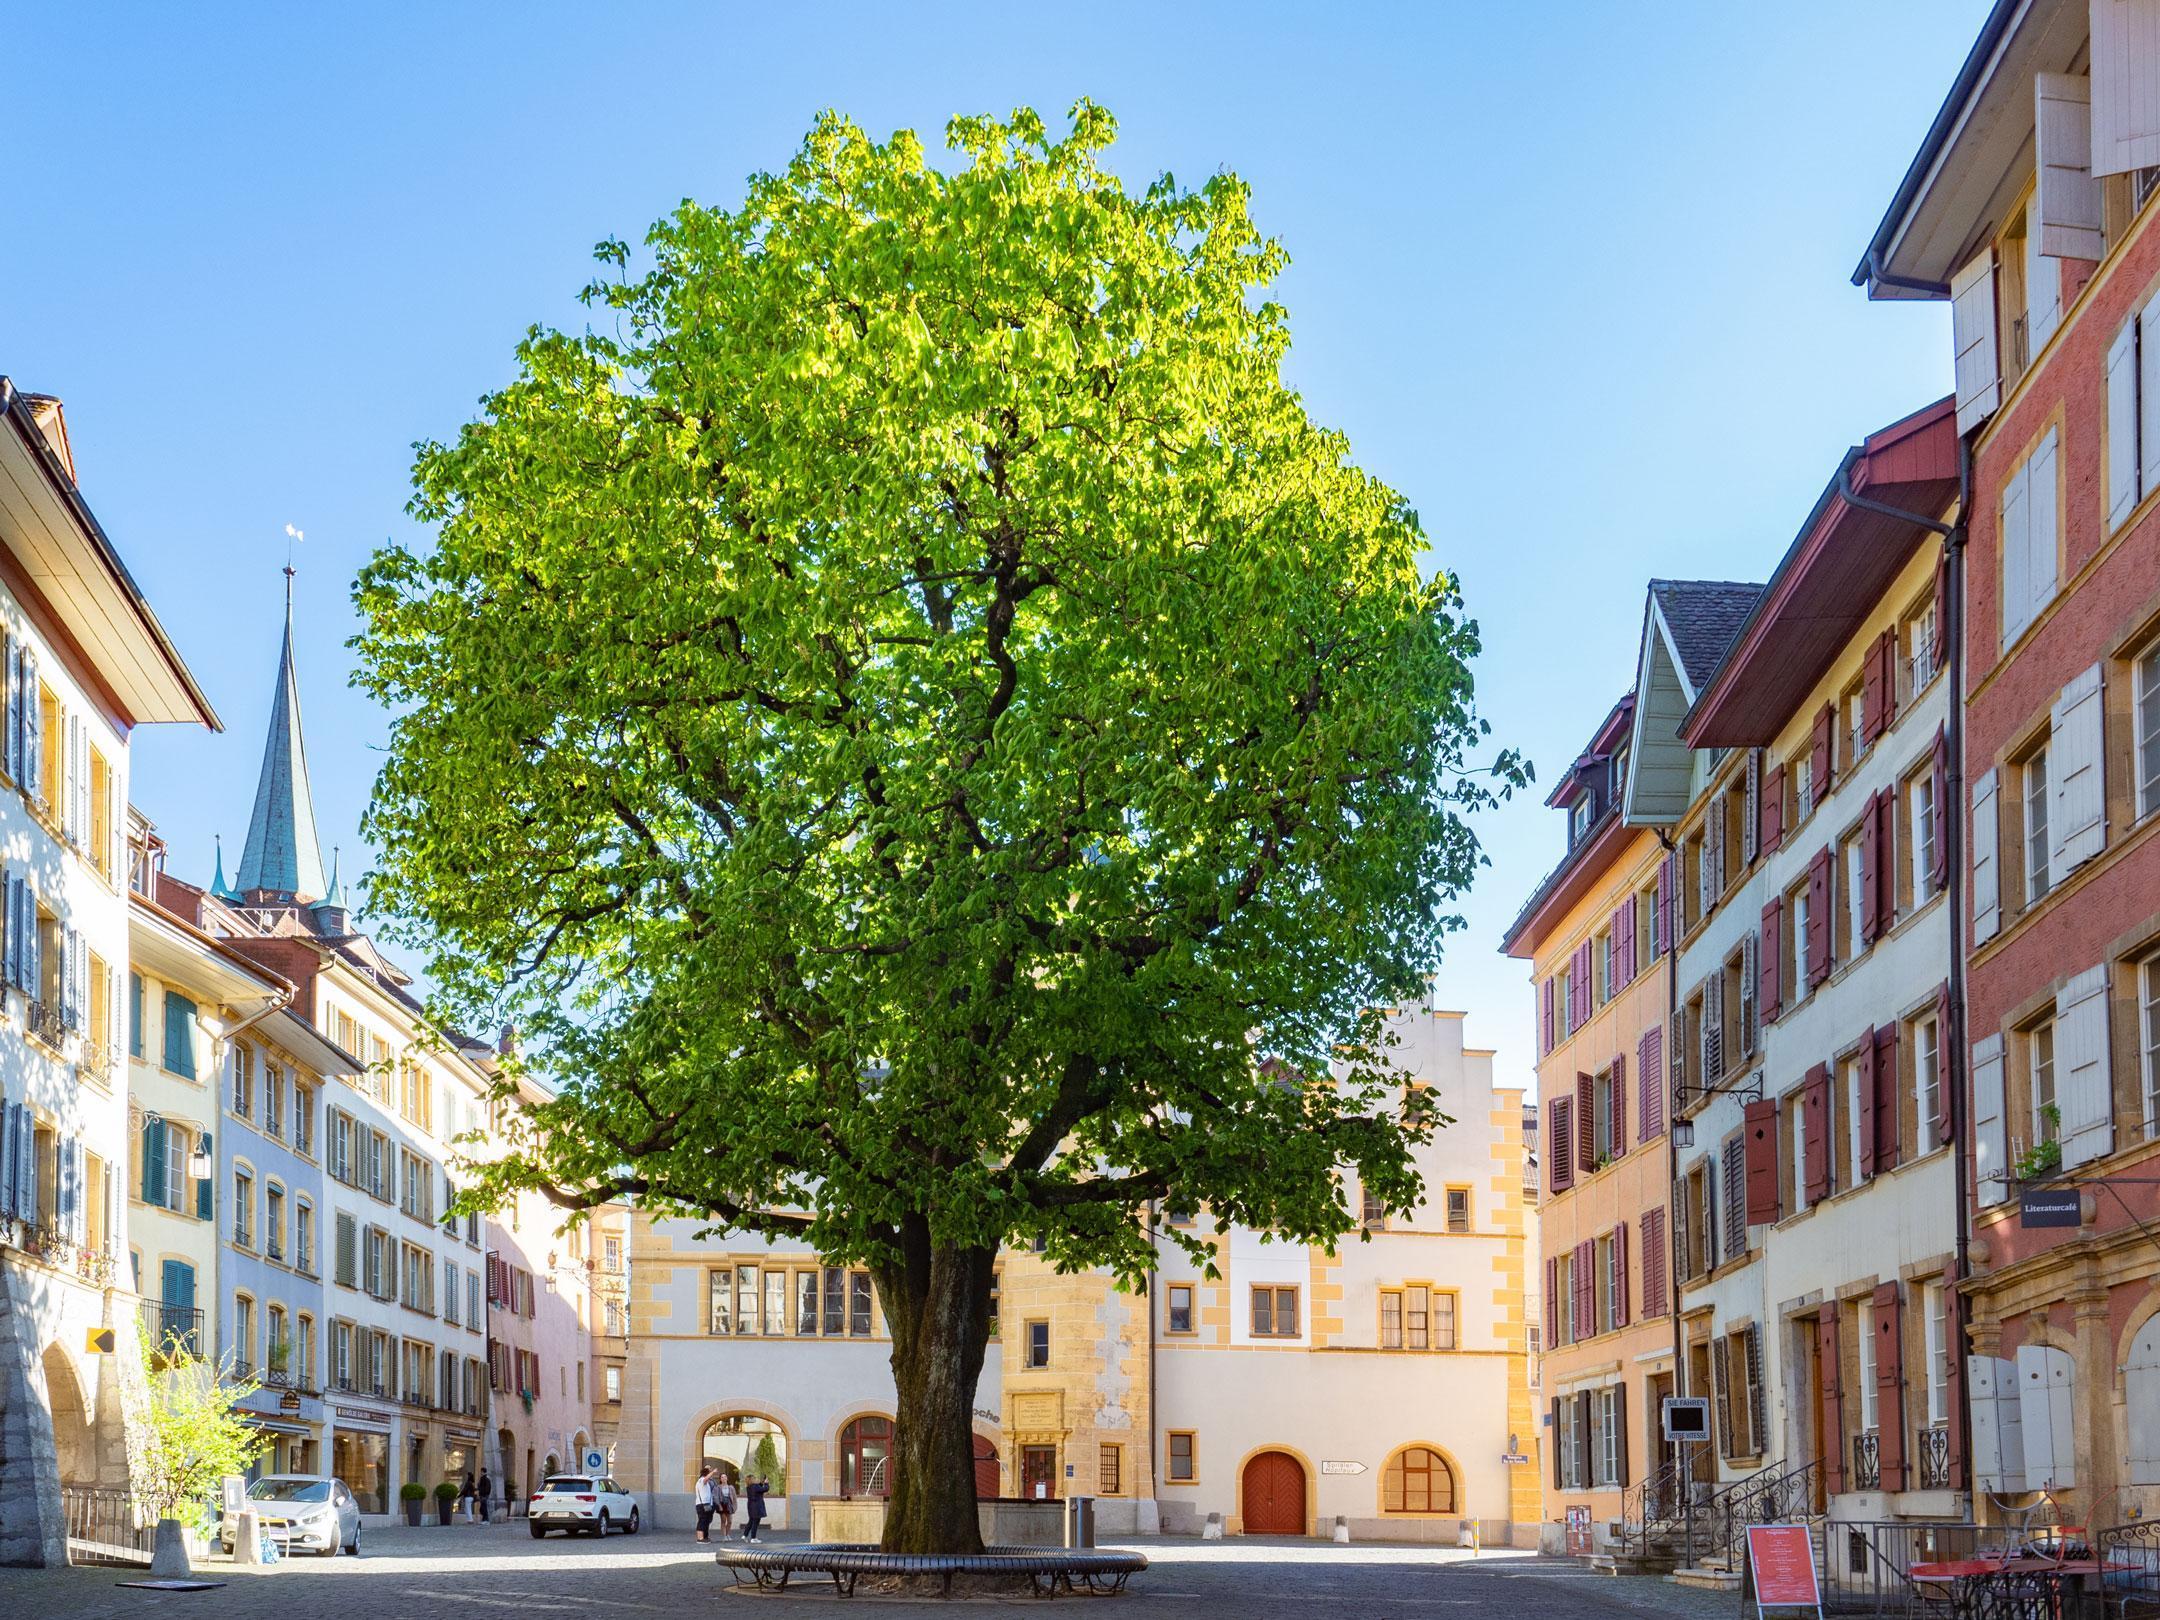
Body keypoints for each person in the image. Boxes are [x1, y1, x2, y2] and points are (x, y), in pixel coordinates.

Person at [693, 1465, 717, 1543]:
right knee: (702, 1520)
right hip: (702, 1505)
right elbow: (706, 1479)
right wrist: (713, 1472)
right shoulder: (702, 1480)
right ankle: (700, 1538)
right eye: (708, 1473)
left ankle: (705, 1537)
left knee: (706, 1520)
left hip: (706, 1504)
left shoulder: (703, 1481)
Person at [743, 1475, 768, 1542]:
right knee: (755, 1522)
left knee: (751, 1521)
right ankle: (753, 1538)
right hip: (757, 1507)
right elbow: (765, 1489)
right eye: (754, 1478)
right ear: (752, 1480)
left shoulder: (749, 1487)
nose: (756, 1479)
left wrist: (762, 1482)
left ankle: (745, 1535)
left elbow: (758, 1488)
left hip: (751, 1506)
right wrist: (766, 1483)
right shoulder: (755, 1486)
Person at [716, 1473, 736, 1539]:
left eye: (725, 1477)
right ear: (720, 1479)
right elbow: (717, 1497)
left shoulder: (731, 1487)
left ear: (727, 1478)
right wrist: (719, 1506)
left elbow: (734, 1497)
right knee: (723, 1521)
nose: (724, 1478)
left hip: (729, 1505)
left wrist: (734, 1506)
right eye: (722, 1477)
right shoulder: (718, 1487)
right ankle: (724, 1536)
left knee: (730, 1521)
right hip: (722, 1505)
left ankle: (727, 1534)